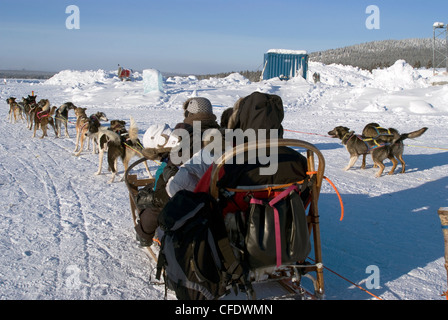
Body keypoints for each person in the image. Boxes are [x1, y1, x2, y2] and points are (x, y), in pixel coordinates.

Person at [134, 97, 220, 246]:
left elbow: (168, 186)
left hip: (192, 201)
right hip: (220, 197)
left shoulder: (188, 141)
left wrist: (154, 197)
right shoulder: (223, 134)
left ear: (188, 115)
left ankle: (144, 236)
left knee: (155, 204)